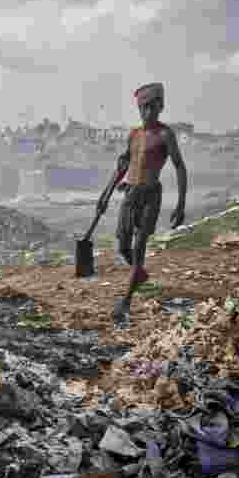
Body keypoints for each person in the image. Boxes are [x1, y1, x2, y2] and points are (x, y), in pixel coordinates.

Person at [96, 82, 187, 327]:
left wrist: (180, 205)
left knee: (139, 247)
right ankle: (139, 273)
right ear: (139, 108)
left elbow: (179, 167)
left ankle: (125, 301)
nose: (147, 112)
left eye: (152, 107)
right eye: (143, 107)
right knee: (123, 246)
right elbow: (123, 165)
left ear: (160, 106)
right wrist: (105, 194)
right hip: (130, 195)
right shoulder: (134, 134)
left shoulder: (165, 135)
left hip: (150, 197)